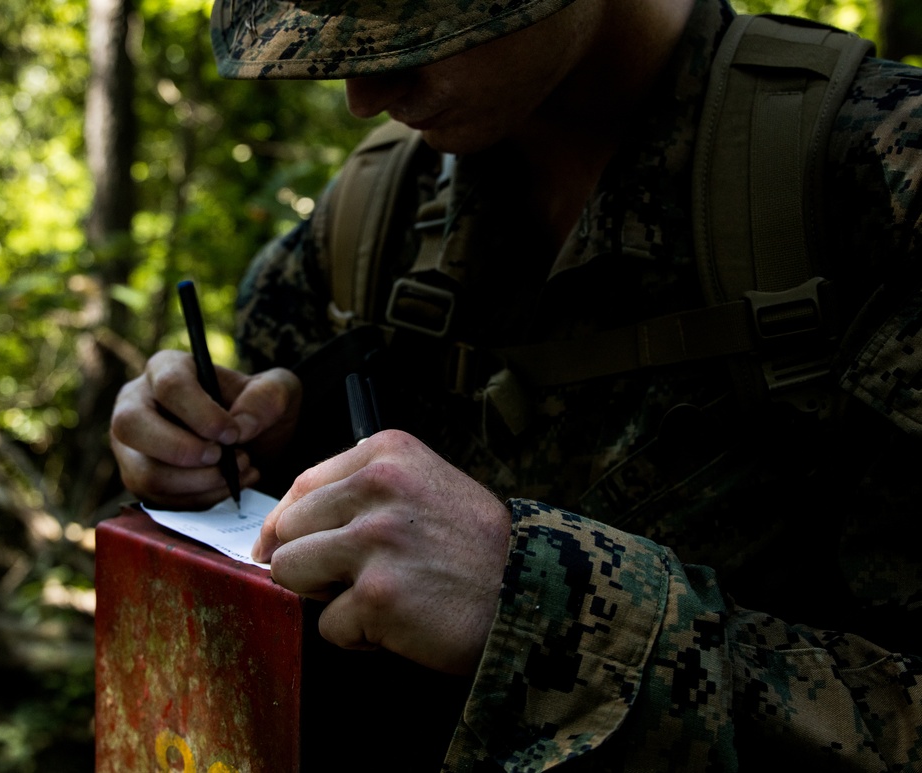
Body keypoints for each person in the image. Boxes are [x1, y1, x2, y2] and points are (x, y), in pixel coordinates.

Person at [109, 0, 922, 768]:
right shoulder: (373, 217)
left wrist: (538, 602)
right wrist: (247, 454)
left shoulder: (883, 189)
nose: (364, 94)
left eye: (409, 21)